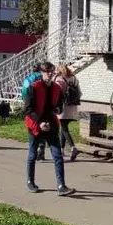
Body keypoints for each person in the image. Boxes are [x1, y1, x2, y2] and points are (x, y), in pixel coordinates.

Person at [23, 62, 75, 197]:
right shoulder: (33, 87)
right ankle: (30, 182)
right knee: (33, 154)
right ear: (40, 72)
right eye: (46, 72)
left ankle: (61, 186)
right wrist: (40, 123)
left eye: (52, 71)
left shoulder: (56, 88)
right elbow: (28, 109)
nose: (49, 74)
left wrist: (58, 109)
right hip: (35, 124)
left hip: (51, 124)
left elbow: (58, 105)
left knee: (57, 155)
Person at [54, 63, 82, 162]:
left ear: (59, 70)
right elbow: (80, 93)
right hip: (73, 107)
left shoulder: (59, 80)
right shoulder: (74, 78)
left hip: (63, 107)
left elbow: (56, 93)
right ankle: (61, 150)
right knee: (63, 128)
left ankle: (73, 147)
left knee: (64, 128)